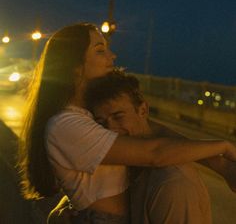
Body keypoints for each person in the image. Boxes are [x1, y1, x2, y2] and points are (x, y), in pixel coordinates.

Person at [19, 22, 236, 224]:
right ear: (75, 66)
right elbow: (155, 153)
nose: (112, 57)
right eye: (100, 50)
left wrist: (219, 165)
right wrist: (223, 146)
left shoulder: (87, 113)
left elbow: (153, 133)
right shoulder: (66, 124)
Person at [84, 71, 236, 223]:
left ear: (143, 110)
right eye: (101, 122)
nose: (110, 129)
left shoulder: (171, 184)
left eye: (118, 117)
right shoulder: (129, 166)